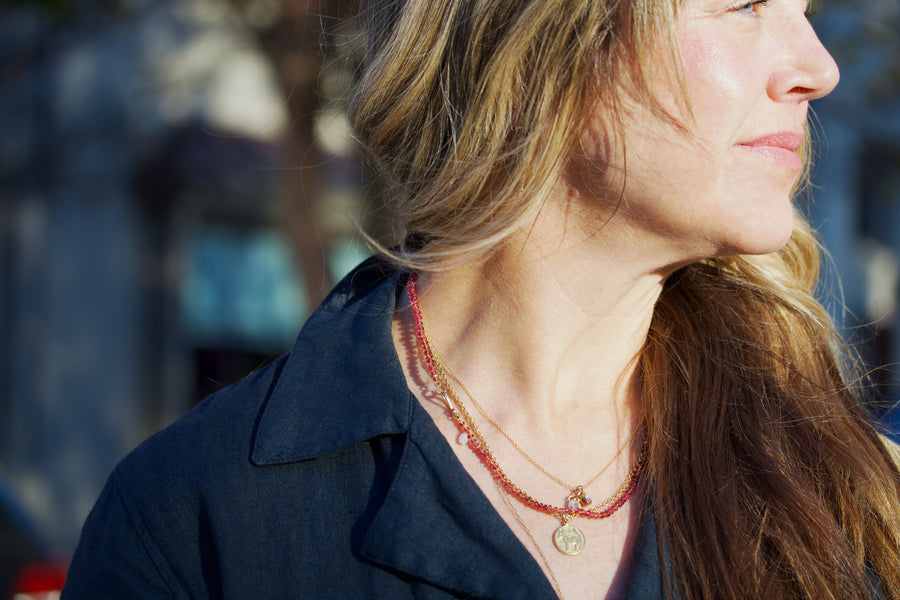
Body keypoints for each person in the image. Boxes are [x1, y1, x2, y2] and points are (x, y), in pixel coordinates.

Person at [62, 0, 900, 598]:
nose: (817, 68)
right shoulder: (201, 516)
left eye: (808, 10)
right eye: (746, 6)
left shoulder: (852, 498)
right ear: (540, 40)